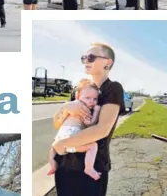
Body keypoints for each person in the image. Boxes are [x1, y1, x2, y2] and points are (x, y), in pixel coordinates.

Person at [51, 43, 125, 196]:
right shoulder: (79, 89)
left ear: (108, 62)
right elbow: (58, 124)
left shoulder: (113, 88)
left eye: (91, 57)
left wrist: (62, 144)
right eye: (83, 57)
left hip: (93, 167)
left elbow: (102, 129)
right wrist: (66, 107)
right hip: (64, 165)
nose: (86, 61)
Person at [48, 79, 101, 180]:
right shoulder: (84, 110)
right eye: (88, 98)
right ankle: (89, 168)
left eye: (95, 99)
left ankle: (53, 166)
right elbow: (90, 124)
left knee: (53, 147)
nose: (91, 101)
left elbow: (57, 122)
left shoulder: (72, 105)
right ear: (78, 96)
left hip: (60, 137)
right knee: (93, 146)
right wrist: (97, 112)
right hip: (72, 137)